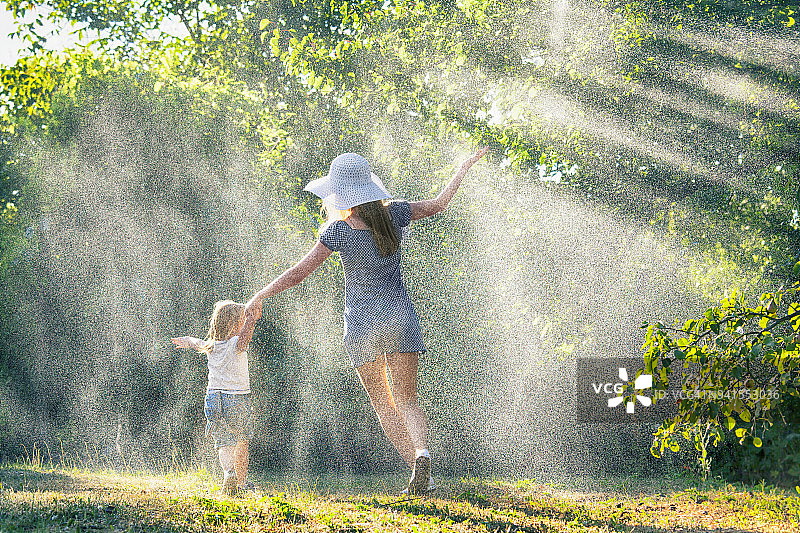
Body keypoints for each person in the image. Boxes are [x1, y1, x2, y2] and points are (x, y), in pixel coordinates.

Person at [246, 147, 489, 494]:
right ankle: (423, 455)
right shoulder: (396, 215)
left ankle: (422, 476)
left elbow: (298, 273)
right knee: (408, 400)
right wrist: (462, 168)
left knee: (383, 403)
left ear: (340, 192)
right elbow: (438, 204)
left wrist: (260, 296)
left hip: (362, 327)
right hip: (399, 319)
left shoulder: (338, 231)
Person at [172, 300, 260, 496]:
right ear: (235, 324)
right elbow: (245, 338)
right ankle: (242, 484)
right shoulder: (235, 344)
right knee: (242, 441)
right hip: (235, 399)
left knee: (224, 442)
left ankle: (229, 473)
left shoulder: (211, 346)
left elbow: (196, 343)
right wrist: (251, 320)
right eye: (242, 320)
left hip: (213, 399)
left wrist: (187, 340)